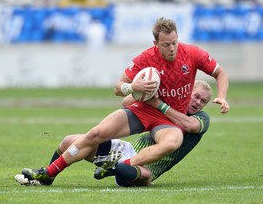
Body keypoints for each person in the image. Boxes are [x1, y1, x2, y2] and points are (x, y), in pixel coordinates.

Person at [19, 17, 229, 186]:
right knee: (94, 134)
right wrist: (134, 88)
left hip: (167, 120)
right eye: (166, 45)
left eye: (175, 42)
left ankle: (120, 166)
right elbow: (118, 88)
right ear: (156, 43)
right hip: (144, 109)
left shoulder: (192, 54)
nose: (172, 48)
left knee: (174, 141)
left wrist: (222, 96)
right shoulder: (145, 58)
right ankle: (49, 173)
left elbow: (220, 73)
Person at [15, 80, 213, 186]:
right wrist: (143, 92)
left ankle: (113, 168)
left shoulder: (201, 118)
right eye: (196, 96)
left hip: (149, 168)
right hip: (128, 150)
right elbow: (126, 103)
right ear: (187, 92)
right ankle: (48, 177)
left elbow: (190, 127)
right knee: (68, 141)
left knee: (139, 175)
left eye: (202, 101)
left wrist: (158, 104)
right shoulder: (167, 102)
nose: (198, 102)